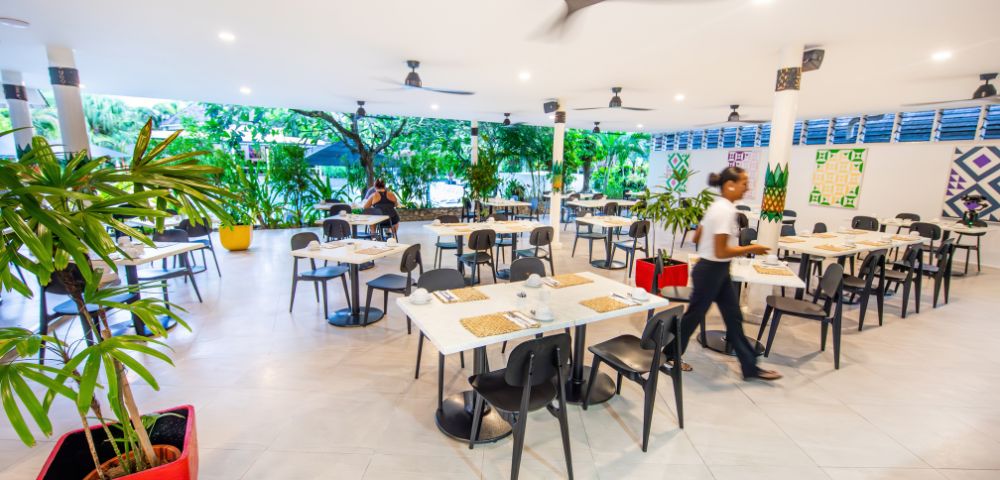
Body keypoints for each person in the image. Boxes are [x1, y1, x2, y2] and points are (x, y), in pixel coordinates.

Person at [679, 166, 782, 381]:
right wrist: (751, 248)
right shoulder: (725, 210)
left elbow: (696, 237)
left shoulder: (716, 206)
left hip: (717, 269)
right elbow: (721, 250)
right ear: (730, 185)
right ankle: (669, 354)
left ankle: (750, 367)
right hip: (711, 270)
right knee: (693, 317)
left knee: (733, 318)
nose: (747, 188)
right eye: (744, 183)